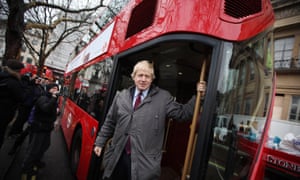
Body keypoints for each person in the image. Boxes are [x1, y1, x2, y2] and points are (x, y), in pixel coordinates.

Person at [93, 60, 206, 180]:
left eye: (147, 76)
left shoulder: (163, 98)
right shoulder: (121, 97)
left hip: (143, 165)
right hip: (117, 157)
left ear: (152, 78)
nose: (143, 79)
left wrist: (199, 97)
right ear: (133, 76)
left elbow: (183, 114)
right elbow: (110, 122)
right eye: (140, 75)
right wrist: (100, 142)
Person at [21, 83, 60, 178]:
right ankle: (26, 169)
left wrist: (56, 120)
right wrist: (54, 98)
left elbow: (52, 111)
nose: (56, 90)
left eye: (57, 88)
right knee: (33, 149)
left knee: (45, 145)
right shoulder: (43, 98)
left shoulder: (52, 99)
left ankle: (36, 161)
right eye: (53, 88)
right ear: (49, 89)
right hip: (39, 128)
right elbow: (45, 108)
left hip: (46, 128)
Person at [0, 59, 24, 148]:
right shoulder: (14, 82)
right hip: (4, 113)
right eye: (20, 71)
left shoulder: (3, 77)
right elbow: (21, 97)